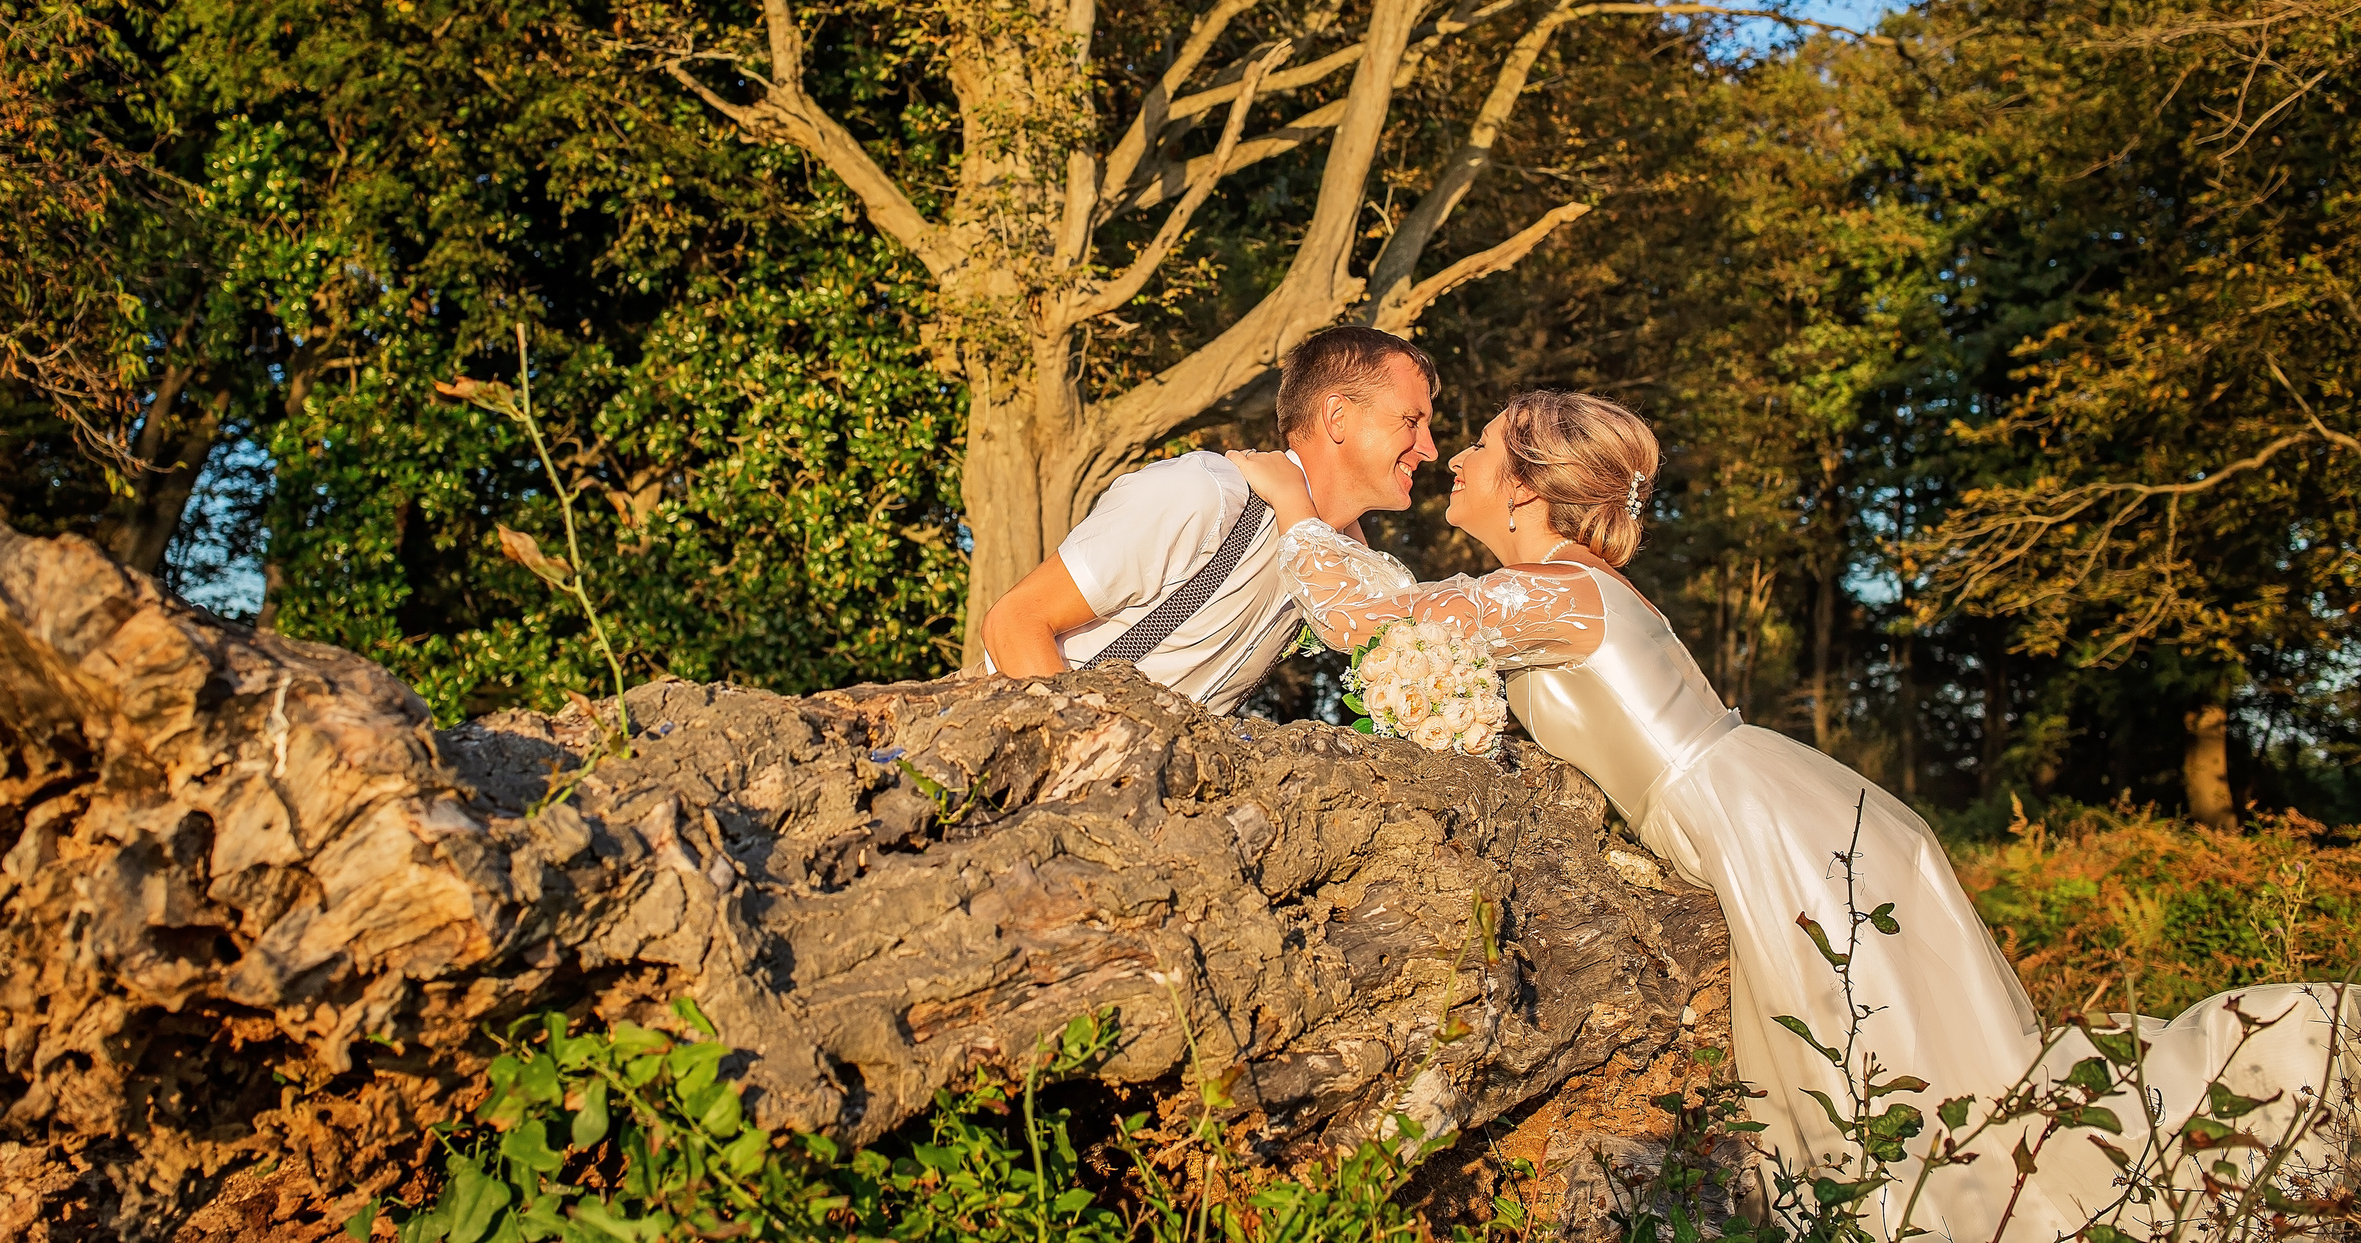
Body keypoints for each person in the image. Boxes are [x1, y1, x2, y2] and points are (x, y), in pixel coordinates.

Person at [1227, 389, 2354, 1242]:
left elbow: (1370, 620)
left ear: (1525, 489)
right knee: (1913, 1088)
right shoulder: (1562, 587)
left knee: (1899, 1099)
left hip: (1767, 831)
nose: (1456, 460)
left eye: (1476, 445)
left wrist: (1296, 509)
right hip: (1773, 808)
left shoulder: (1558, 590)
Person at [978, 327, 1437, 711]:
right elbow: (1015, 620)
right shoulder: (1207, 494)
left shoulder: (1334, 576)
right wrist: (1078, 758)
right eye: (1411, 420)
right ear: (1336, 417)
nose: (1430, 449)